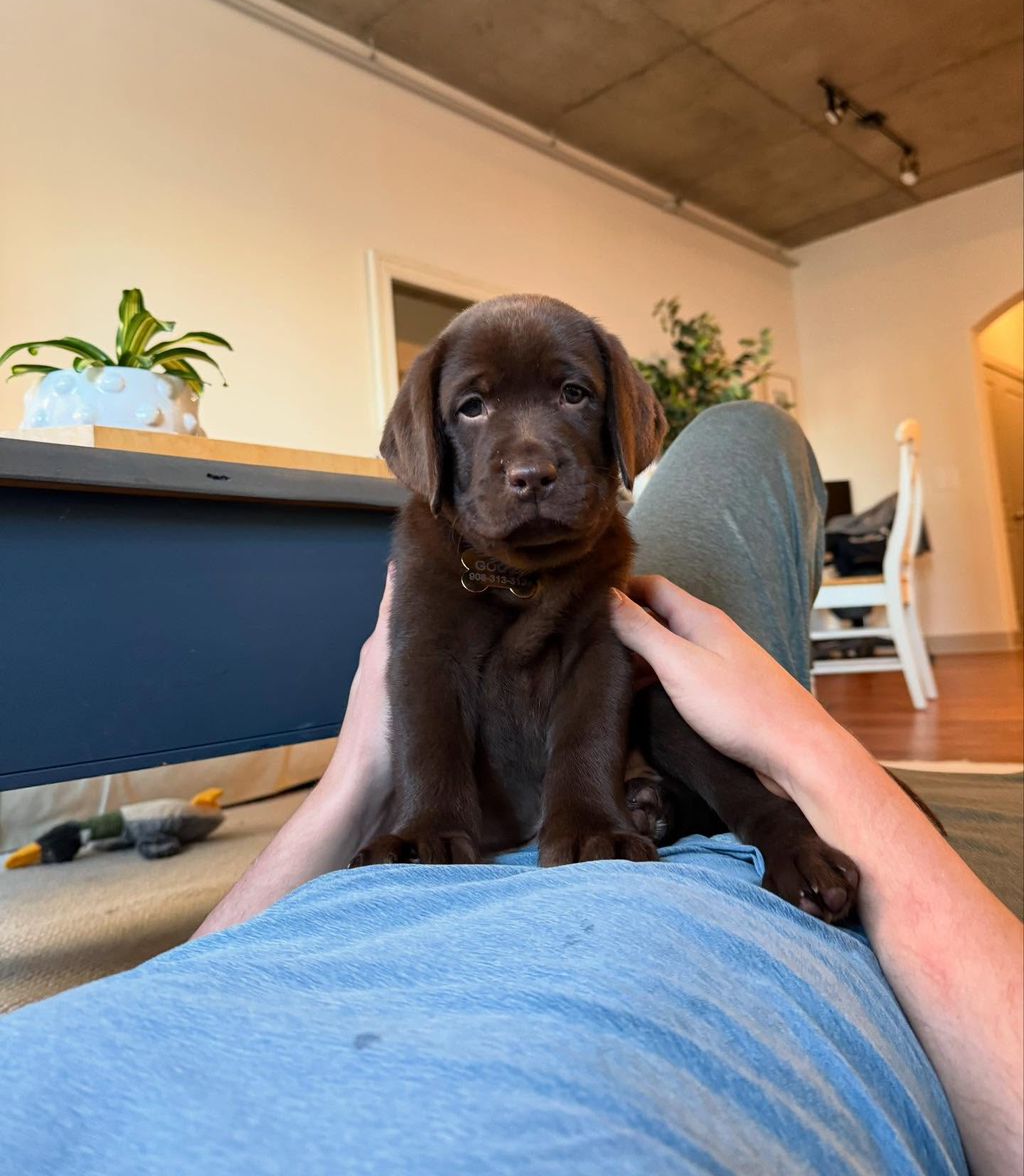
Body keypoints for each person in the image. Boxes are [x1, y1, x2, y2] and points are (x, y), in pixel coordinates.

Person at [2, 405, 1019, 1176]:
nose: (525, 447)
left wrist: (350, 783)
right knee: (745, 438)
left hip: (392, 880)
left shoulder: (41, 1078)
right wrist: (802, 747)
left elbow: (185, 984)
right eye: (481, 407)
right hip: (713, 871)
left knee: (655, 554)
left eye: (568, 397)